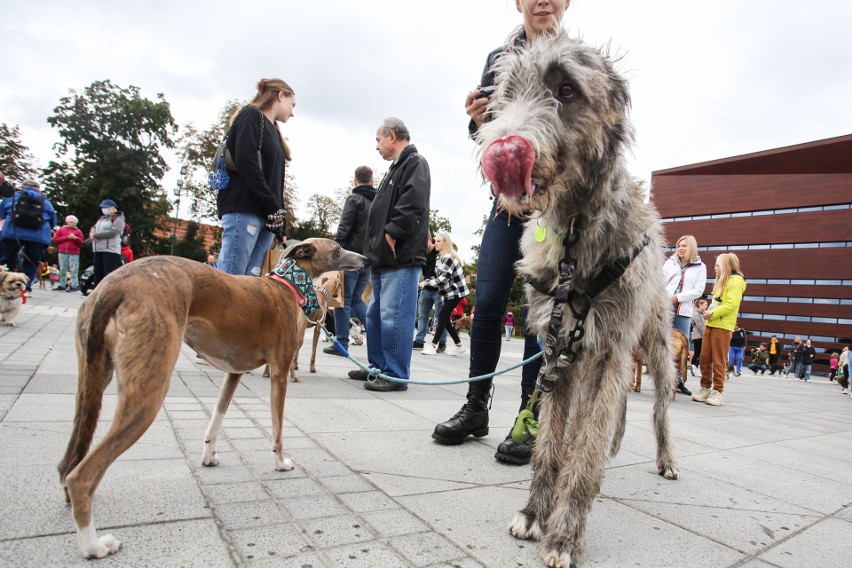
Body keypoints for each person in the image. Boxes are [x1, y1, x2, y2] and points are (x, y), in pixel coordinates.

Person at [432, 0, 569, 464]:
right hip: (506, 205)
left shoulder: (574, 58)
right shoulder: (498, 59)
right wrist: (477, 120)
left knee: (540, 313)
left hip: (550, 208)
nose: (544, 1)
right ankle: (476, 407)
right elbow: (487, 137)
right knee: (487, 302)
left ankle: (531, 417)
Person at [349, 117, 430, 392]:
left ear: (392, 136)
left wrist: (393, 231)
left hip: (401, 256)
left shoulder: (415, 163)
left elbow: (413, 202)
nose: (377, 146)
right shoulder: (395, 168)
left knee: (394, 316)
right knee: (375, 316)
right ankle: (378, 367)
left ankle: (394, 374)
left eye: (378, 139)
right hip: (383, 258)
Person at [216, 78, 293, 276]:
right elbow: (247, 163)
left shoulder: (274, 131)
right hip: (245, 209)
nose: (292, 113)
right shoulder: (251, 116)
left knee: (251, 285)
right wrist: (273, 207)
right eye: (292, 105)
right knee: (231, 279)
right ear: (280, 95)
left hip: (267, 218)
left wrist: (280, 220)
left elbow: (276, 182)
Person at [325, 165, 376, 357]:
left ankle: (341, 343)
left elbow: (344, 228)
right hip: (368, 260)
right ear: (372, 182)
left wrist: (336, 255)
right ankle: (375, 334)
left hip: (350, 257)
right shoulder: (378, 202)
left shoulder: (354, 199)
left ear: (355, 182)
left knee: (342, 301)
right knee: (356, 299)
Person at [692, 253, 746, 407]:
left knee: (718, 360)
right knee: (704, 358)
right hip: (711, 325)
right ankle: (705, 388)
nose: (715, 268)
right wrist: (709, 312)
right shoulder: (722, 281)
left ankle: (718, 391)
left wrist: (711, 313)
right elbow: (716, 303)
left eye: (717, 265)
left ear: (726, 267)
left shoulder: (735, 281)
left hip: (722, 326)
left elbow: (731, 305)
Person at [664, 235, 707, 394]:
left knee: (682, 346)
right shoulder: (670, 263)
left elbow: (699, 290)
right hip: (666, 308)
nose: (681, 248)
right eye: (679, 245)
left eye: (684, 246)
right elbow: (661, 283)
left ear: (692, 248)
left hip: (684, 310)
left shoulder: (700, 266)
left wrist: (678, 297)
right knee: (664, 343)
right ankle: (663, 379)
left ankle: (679, 381)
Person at [0, 177, 57, 292]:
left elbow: (2, 214)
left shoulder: (12, 196)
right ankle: (25, 288)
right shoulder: (45, 201)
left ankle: (5, 285)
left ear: (22, 187)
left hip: (13, 233)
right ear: (38, 190)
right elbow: (53, 221)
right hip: (38, 236)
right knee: (32, 262)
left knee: (6, 260)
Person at [419, 232, 469, 356]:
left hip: (456, 292)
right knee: (445, 319)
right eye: (435, 240)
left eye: (438, 241)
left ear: (445, 243)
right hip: (449, 293)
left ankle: (433, 346)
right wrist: (425, 281)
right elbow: (436, 276)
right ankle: (459, 346)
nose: (435, 243)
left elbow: (442, 280)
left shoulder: (449, 258)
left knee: (441, 316)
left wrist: (425, 284)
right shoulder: (440, 258)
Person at [414, 233, 448, 351]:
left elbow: (438, 275)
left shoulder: (439, 253)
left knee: (440, 317)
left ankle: (442, 342)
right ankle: (419, 341)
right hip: (427, 289)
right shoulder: (423, 254)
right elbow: (424, 272)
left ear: (429, 239)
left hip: (439, 289)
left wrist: (425, 282)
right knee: (422, 315)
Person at [89, 199, 126, 287]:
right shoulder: (102, 218)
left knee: (108, 274)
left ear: (113, 208)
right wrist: (92, 233)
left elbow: (113, 232)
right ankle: (97, 293)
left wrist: (96, 235)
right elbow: (94, 227)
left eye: (105, 207)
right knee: (98, 272)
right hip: (98, 249)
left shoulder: (119, 218)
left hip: (110, 250)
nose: (103, 209)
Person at [52, 214, 84, 291]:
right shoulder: (61, 230)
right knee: (63, 268)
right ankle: (62, 284)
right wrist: (67, 238)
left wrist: (76, 238)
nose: (72, 224)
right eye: (71, 222)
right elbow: (55, 240)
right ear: (67, 222)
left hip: (74, 252)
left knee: (74, 269)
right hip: (62, 252)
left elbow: (81, 243)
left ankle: (74, 285)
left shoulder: (78, 232)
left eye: (74, 222)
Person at [689, 298, 708, 376]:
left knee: (699, 352)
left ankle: (694, 367)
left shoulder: (702, 313)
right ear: (700, 305)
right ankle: (694, 367)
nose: (706, 306)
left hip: (700, 335)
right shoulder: (696, 313)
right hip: (698, 335)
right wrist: (705, 334)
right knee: (699, 352)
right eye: (705, 305)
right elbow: (699, 325)